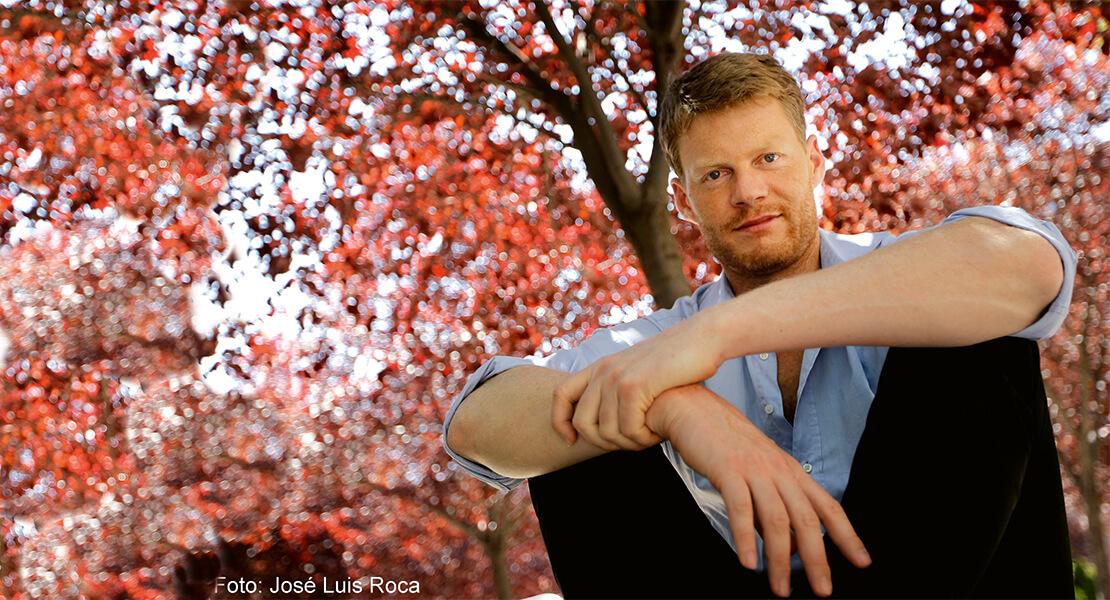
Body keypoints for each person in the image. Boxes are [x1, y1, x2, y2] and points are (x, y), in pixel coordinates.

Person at [443, 52, 1077, 598]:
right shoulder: (658, 346)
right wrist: (676, 408)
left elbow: (1030, 267)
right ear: (683, 201)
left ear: (815, 162)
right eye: (716, 174)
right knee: (588, 416)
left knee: (974, 326)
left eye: (768, 157)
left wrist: (718, 335)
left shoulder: (896, 271)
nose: (748, 191)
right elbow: (475, 423)